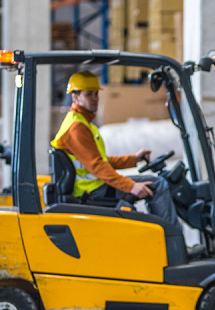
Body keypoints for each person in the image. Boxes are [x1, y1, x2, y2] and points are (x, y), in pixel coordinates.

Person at [51, 71, 178, 225]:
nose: (94, 99)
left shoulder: (81, 121)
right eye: (89, 94)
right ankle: (171, 239)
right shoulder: (77, 127)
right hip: (92, 191)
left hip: (95, 187)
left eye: (96, 94)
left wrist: (134, 159)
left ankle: (159, 234)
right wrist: (131, 186)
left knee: (154, 184)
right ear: (75, 97)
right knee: (158, 184)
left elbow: (99, 161)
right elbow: (98, 167)